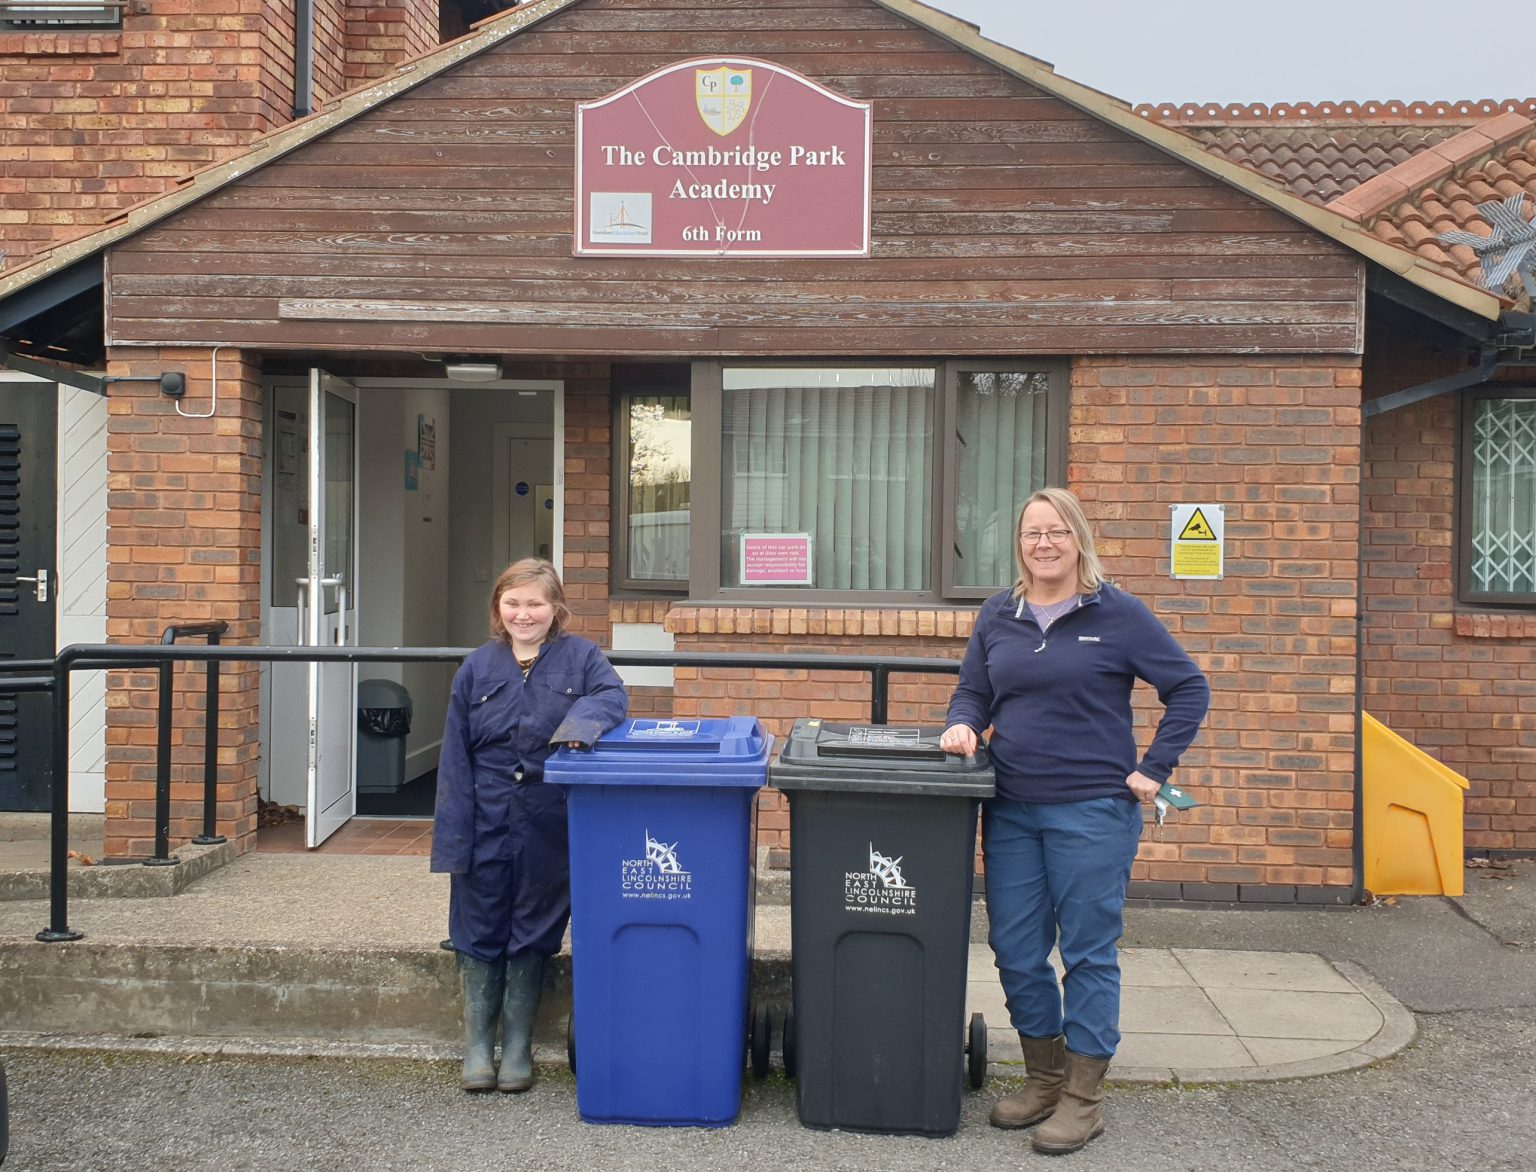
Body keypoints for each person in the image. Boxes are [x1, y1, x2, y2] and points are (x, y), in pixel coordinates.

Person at [941, 487, 1209, 1154]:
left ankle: (1083, 1100)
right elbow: (974, 688)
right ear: (1019, 544)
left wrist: (1155, 767)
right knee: (1017, 949)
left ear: (1079, 539)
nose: (1045, 544)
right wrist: (963, 723)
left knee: (1087, 953)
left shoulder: (1117, 613)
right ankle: (1044, 1079)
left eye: (1057, 531)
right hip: (1011, 808)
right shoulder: (999, 613)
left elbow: (1188, 687)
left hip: (1093, 811)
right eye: (1033, 533)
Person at [431, 558, 628, 1093]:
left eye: (535, 604)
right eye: (513, 603)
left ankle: (517, 1048)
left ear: (555, 608)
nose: (524, 614)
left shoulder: (581, 657)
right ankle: (478, 1049)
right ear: (498, 607)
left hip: (547, 813)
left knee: (536, 924)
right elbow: (455, 756)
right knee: (478, 924)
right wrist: (453, 833)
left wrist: (578, 726)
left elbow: (612, 696)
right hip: (484, 812)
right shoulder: (477, 667)